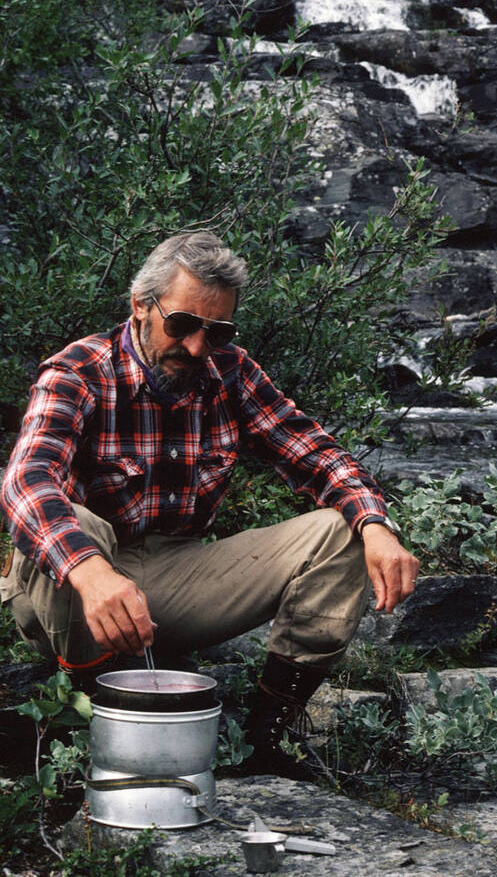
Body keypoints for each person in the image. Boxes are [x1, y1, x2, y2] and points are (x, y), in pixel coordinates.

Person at [0, 231, 419, 778]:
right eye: (181, 325)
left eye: (215, 331)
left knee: (344, 530)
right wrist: (92, 573)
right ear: (140, 306)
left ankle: (264, 741)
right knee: (75, 522)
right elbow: (25, 481)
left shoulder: (230, 370)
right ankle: (90, 726)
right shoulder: (78, 371)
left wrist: (376, 525)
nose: (197, 347)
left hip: (176, 574)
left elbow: (315, 454)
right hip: (73, 588)